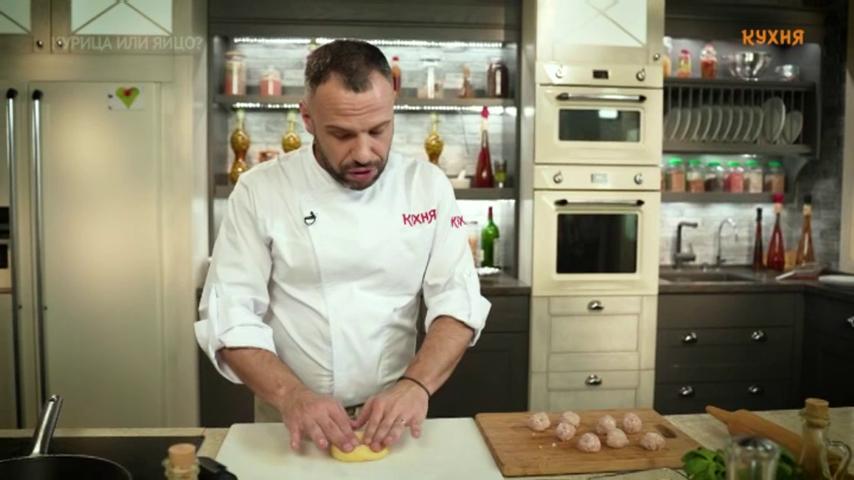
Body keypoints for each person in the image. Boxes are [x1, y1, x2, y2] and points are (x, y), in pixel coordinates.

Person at [195, 39, 490, 455]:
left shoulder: (428, 187)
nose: (364, 152)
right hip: (290, 416)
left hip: (394, 415)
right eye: (342, 134)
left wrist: (416, 384)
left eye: (378, 130)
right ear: (307, 118)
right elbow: (230, 312)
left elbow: (458, 300)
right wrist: (291, 396)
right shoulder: (260, 190)